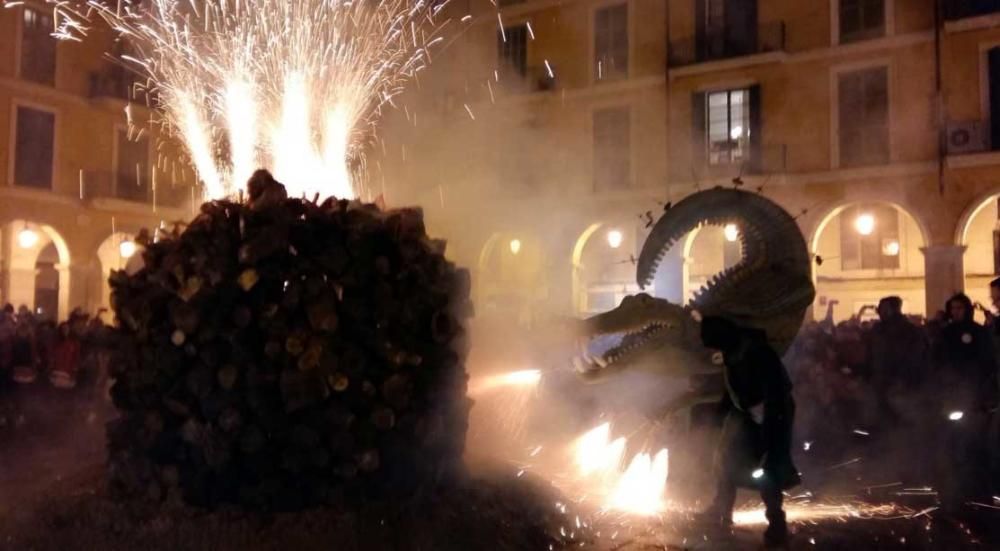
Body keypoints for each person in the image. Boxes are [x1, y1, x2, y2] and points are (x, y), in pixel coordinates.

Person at [698, 316, 799, 550]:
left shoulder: (759, 353)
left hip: (772, 412)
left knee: (766, 469)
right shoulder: (733, 353)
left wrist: (769, 431)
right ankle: (721, 508)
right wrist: (719, 417)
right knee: (724, 457)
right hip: (745, 410)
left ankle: (776, 522)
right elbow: (733, 390)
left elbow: (776, 393)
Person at [869, 296, 929, 421]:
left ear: (891, 309)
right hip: (885, 383)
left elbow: (917, 357)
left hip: (902, 384)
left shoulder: (909, 331)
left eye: (882, 308)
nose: (879, 311)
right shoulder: (878, 330)